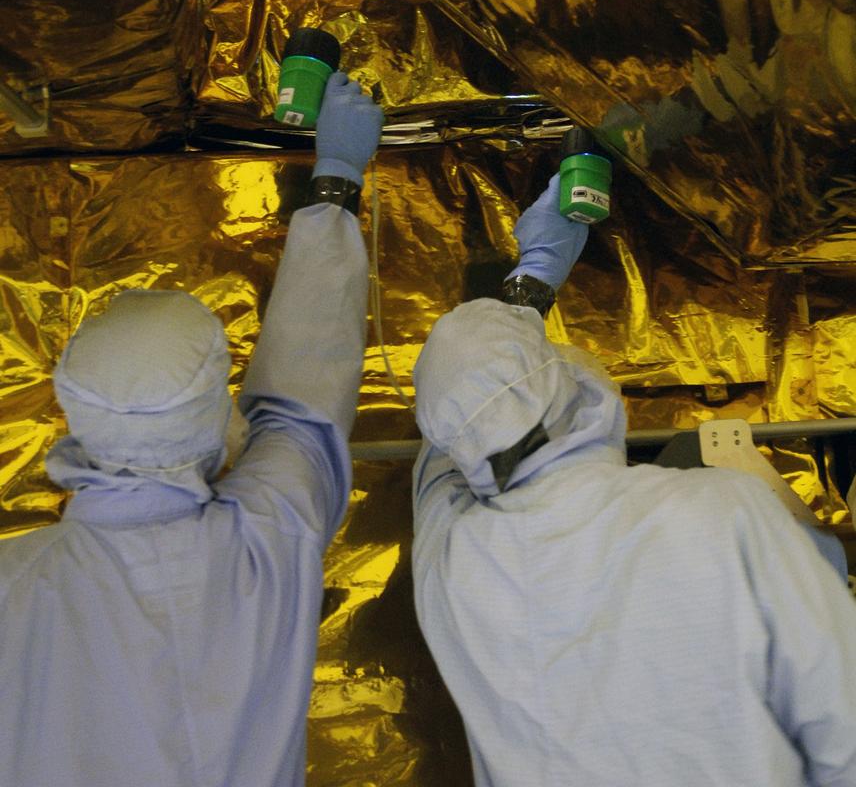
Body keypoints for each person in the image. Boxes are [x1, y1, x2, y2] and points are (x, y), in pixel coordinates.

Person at [0, 71, 383, 787]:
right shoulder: (267, 539)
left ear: (77, 422)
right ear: (218, 420)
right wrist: (334, 181)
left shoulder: (14, 587)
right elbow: (303, 395)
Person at [412, 175, 856, 787]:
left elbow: (454, 428)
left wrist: (524, 295)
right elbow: (844, 721)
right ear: (574, 385)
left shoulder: (452, 564)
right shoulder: (721, 511)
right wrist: (531, 282)